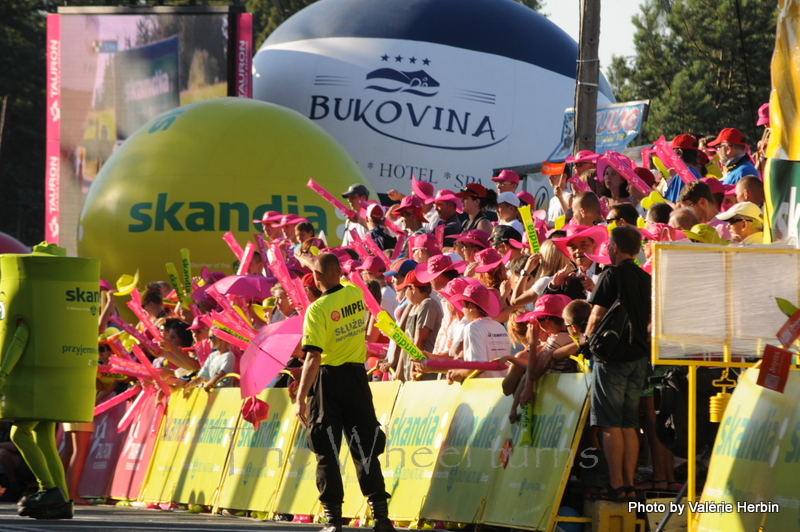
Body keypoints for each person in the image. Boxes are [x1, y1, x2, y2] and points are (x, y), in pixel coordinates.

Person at [294, 253, 395, 532]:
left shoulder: (316, 310)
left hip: (328, 382)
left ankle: (333, 521)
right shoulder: (354, 292)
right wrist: (308, 259)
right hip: (356, 378)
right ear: (338, 272)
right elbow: (325, 268)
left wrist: (300, 397)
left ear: (314, 278)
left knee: (326, 450)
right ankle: (381, 518)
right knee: (365, 447)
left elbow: (313, 357)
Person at [585, 225, 651, 502]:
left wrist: (585, 339)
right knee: (628, 422)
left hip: (612, 357)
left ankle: (615, 484)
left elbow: (596, 315)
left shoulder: (610, 274)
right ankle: (629, 484)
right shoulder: (645, 277)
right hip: (638, 356)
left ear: (614, 247)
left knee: (610, 423)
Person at [395, 270, 443, 382]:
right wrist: (400, 369)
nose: (405, 295)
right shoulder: (415, 306)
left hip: (423, 373)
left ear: (413, 288)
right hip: (412, 370)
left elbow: (420, 340)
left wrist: (415, 369)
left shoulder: (427, 304)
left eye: (405, 290)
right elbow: (407, 341)